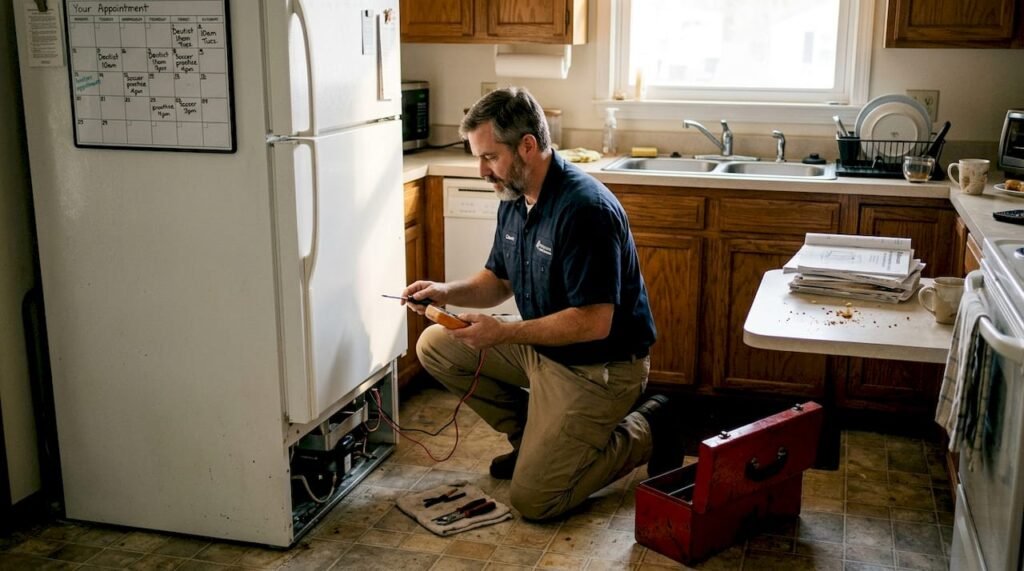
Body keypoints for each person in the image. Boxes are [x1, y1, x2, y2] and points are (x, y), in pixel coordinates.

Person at [400, 87, 679, 521]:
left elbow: (594, 322)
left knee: (535, 501)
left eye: (490, 157)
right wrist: (445, 291)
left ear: (527, 146)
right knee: (436, 343)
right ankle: (530, 437)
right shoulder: (514, 197)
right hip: (543, 349)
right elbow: (498, 281)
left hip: (598, 366)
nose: (481, 170)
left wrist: (505, 332)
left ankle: (650, 429)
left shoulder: (585, 209)